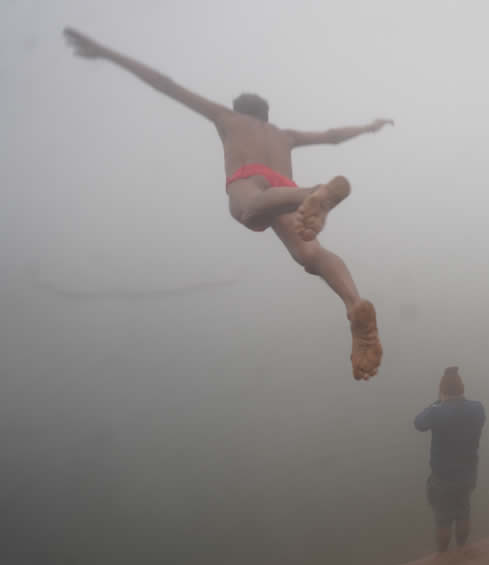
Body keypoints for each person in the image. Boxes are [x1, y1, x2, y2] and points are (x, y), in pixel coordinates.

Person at [62, 28, 390, 380]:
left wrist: (106, 53)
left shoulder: (226, 118)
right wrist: (369, 127)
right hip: (287, 186)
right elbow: (332, 137)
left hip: (254, 180)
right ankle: (353, 302)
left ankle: (314, 193)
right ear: (266, 115)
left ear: (240, 110)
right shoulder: (283, 135)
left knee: (249, 209)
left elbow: (166, 84)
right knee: (311, 255)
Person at [414, 367, 486, 552]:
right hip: (468, 473)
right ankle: (462, 549)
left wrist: (438, 401)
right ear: (462, 388)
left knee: (443, 519)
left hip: (443, 477)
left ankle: (443, 558)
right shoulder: (477, 409)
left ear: (443, 391)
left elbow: (418, 423)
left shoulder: (436, 412)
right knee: (463, 513)